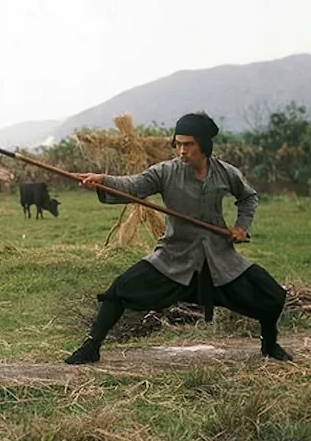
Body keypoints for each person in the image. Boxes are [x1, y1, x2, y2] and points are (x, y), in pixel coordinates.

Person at [65, 112, 293, 365]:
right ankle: (91, 347)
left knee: (272, 294)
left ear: (204, 145)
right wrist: (102, 181)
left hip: (218, 258)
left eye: (189, 144)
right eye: (178, 143)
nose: (182, 150)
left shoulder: (225, 173)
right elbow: (134, 185)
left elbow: (248, 197)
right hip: (174, 257)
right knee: (118, 291)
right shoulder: (165, 172)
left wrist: (241, 227)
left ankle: (269, 345)